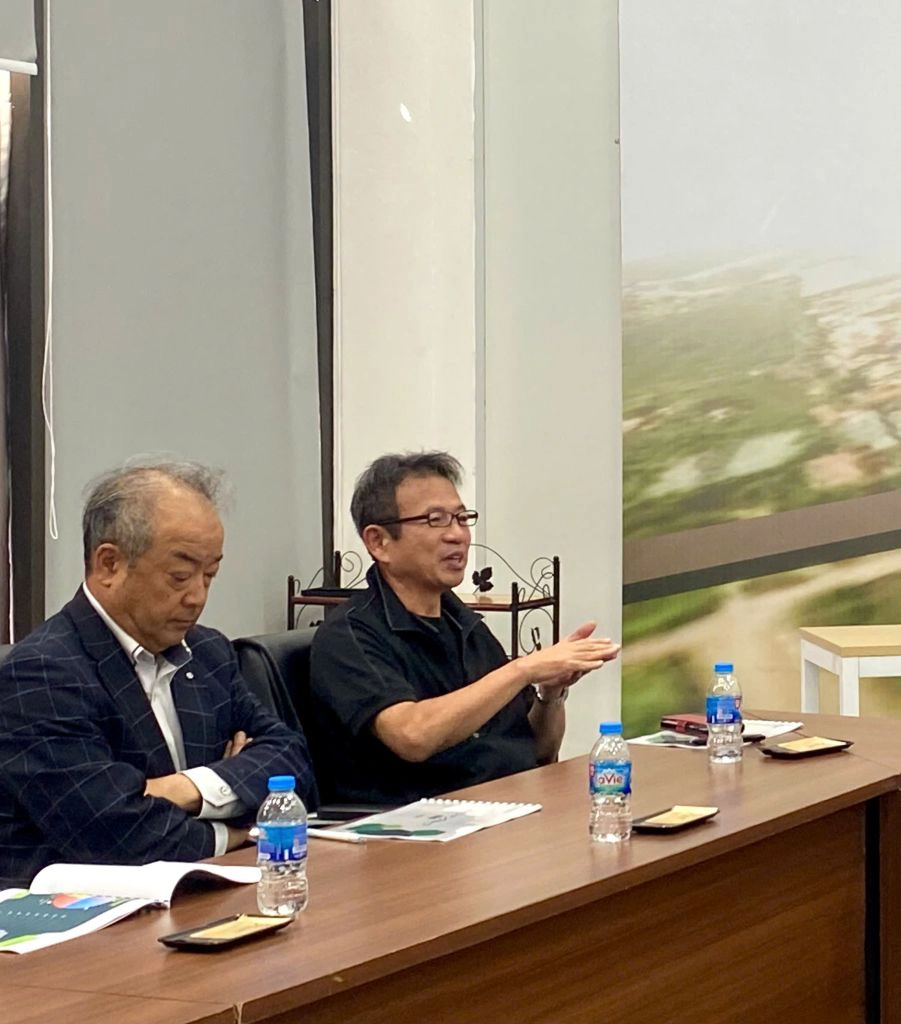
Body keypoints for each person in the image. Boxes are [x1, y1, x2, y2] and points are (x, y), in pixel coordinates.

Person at [0, 460, 314, 888]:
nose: (197, 596)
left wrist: (185, 789)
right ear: (109, 565)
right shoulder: (42, 674)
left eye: (210, 575)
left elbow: (292, 764)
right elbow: (116, 837)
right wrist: (237, 830)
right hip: (83, 915)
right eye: (180, 576)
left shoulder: (208, 653)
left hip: (207, 893)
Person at [309, 451, 621, 806]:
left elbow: (538, 752)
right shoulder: (349, 636)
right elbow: (412, 736)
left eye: (462, 518)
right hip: (418, 825)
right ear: (379, 542)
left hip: (504, 809)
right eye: (436, 520)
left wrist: (550, 694)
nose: (458, 535)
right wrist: (522, 669)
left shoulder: (463, 623)